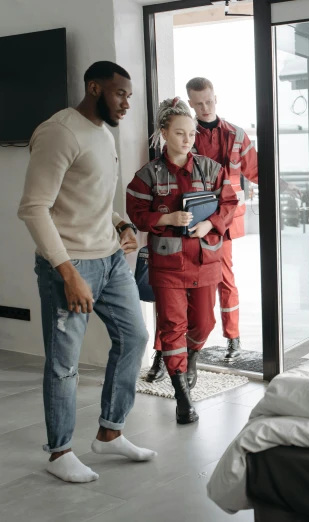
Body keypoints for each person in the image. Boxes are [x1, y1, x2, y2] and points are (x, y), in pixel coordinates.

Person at [17, 61, 156, 484]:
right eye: (120, 94)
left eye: (129, 95)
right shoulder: (59, 132)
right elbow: (34, 207)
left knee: (134, 337)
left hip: (111, 259)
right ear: (94, 88)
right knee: (64, 364)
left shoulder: (102, 132)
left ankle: (110, 433)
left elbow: (89, 197)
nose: (127, 103)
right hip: (70, 264)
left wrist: (120, 224)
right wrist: (68, 274)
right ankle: (59, 452)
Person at [143, 76, 300, 382]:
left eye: (209, 101)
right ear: (190, 102)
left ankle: (232, 338)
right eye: (198, 103)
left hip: (222, 222)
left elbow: (256, 170)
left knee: (226, 280)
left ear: (216, 98)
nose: (204, 107)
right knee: (172, 292)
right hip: (185, 223)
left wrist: (283, 185)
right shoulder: (185, 131)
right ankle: (163, 353)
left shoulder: (237, 135)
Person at [127, 97, 238, 424]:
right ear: (164, 133)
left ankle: (191, 356)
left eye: (191, 133)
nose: (188, 139)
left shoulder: (211, 170)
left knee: (203, 323)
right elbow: (136, 213)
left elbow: (228, 204)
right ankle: (182, 395)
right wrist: (166, 219)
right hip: (168, 266)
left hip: (205, 261)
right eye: (180, 133)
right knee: (172, 326)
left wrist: (211, 223)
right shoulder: (148, 175)